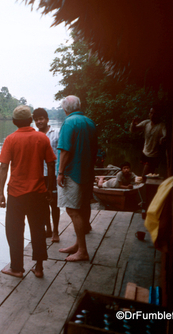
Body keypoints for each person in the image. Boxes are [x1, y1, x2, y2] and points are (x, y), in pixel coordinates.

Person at [0, 105, 56, 279]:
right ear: (31, 120)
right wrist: (50, 188)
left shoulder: (10, 139)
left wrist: (0, 192)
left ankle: (17, 268)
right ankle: (38, 268)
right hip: (38, 192)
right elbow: (52, 164)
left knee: (14, 230)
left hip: (16, 193)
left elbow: (3, 166)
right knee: (38, 230)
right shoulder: (42, 138)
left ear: (15, 122)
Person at [56, 96, 97, 262]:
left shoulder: (68, 122)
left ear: (66, 109)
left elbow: (65, 150)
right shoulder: (89, 122)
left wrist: (60, 172)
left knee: (73, 210)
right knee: (83, 205)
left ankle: (83, 251)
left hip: (72, 172)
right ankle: (78, 245)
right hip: (87, 172)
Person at [33, 107, 60, 243]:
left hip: (54, 174)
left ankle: (56, 231)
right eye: (36, 120)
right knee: (42, 205)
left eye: (41, 119)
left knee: (54, 204)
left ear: (47, 119)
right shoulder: (35, 136)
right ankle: (47, 229)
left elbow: (62, 153)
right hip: (40, 175)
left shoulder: (57, 134)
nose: (39, 121)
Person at [131, 106, 166, 178]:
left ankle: (143, 188)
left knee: (144, 176)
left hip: (154, 155)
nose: (152, 115)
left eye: (155, 114)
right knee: (148, 175)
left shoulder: (162, 125)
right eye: (151, 113)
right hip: (145, 152)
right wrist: (133, 124)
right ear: (149, 114)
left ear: (159, 115)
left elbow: (166, 134)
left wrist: (163, 138)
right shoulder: (146, 123)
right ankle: (147, 188)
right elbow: (133, 130)